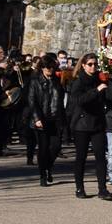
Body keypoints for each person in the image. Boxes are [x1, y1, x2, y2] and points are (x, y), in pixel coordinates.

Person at [67, 53, 112, 200]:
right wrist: (97, 90)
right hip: (82, 124)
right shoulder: (78, 81)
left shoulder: (99, 79)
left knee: (101, 157)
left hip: (97, 123)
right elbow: (79, 101)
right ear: (83, 65)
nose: (93, 67)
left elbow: (111, 97)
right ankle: (79, 188)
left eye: (95, 64)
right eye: (90, 64)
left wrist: (111, 80)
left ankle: (103, 189)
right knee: (81, 157)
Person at [26, 55, 66, 186]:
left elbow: (60, 101)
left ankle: (48, 166)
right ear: (42, 67)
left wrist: (63, 119)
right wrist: (37, 118)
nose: (50, 69)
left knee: (55, 147)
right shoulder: (35, 81)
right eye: (47, 67)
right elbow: (32, 102)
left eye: (52, 67)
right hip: (41, 119)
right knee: (43, 148)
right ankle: (43, 174)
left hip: (55, 119)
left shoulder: (57, 80)